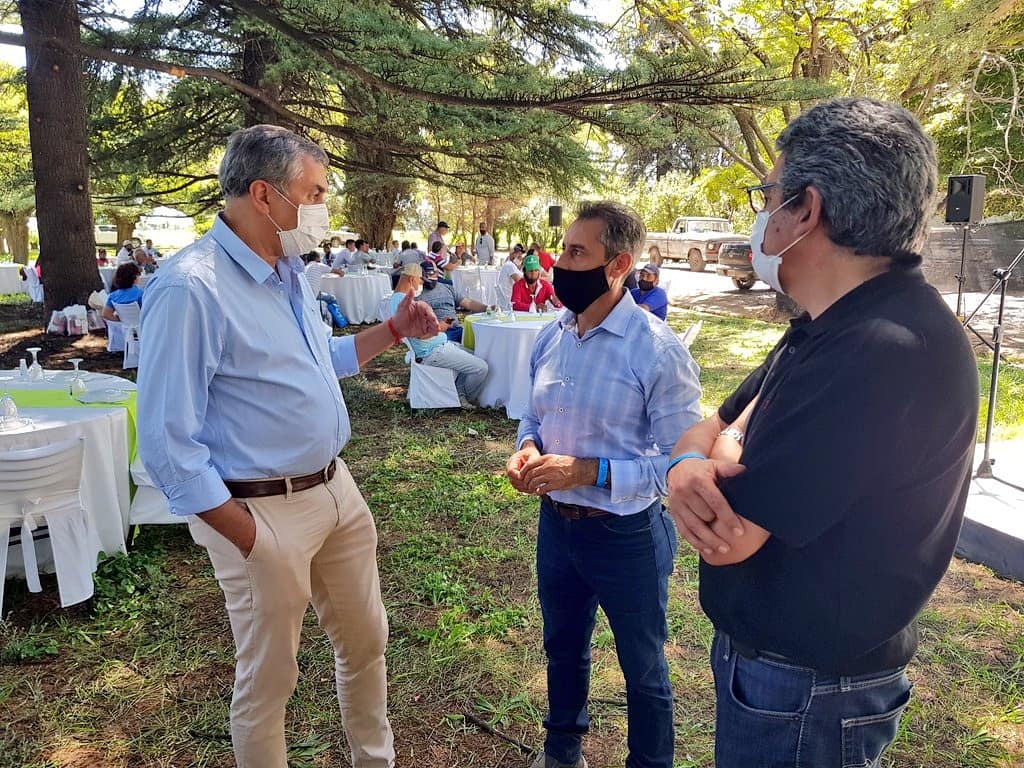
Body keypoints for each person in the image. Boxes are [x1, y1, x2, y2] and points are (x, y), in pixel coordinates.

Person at [665, 98, 979, 768]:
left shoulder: (881, 346)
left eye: (768, 195)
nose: (762, 215)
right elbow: (709, 429)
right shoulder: (826, 324)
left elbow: (728, 538)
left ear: (806, 210)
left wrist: (704, 454)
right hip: (784, 673)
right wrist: (690, 466)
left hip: (810, 688)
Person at [137, 124, 439, 768]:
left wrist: (391, 330)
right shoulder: (191, 288)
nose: (323, 208)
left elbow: (317, 360)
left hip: (335, 492)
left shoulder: (288, 270)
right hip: (260, 511)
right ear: (264, 196)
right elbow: (166, 441)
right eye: (314, 192)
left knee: (366, 644)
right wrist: (248, 535)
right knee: (270, 682)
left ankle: (373, 760)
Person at [506, 200, 702, 768]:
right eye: (563, 249)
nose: (560, 263)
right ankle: (562, 752)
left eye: (575, 252)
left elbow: (678, 465)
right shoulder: (552, 336)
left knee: (643, 669)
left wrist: (588, 471)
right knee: (563, 649)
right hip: (557, 529)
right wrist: (527, 450)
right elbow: (532, 418)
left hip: (627, 536)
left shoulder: (658, 351)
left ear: (617, 265)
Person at [390, 263, 488, 409]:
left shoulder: (399, 299)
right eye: (419, 279)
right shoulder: (405, 303)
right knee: (482, 367)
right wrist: (441, 327)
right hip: (432, 352)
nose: (420, 283)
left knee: (475, 355)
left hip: (439, 346)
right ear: (411, 279)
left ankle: (460, 394)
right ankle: (466, 397)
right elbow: (420, 335)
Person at [417, 260, 489, 342]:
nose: (431, 276)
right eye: (427, 274)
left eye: (433, 273)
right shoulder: (417, 294)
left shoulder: (447, 287)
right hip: (439, 335)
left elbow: (468, 303)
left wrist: (487, 308)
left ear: (437, 273)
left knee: (484, 338)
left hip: (457, 329)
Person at [304, 251, 348, 328]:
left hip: (306, 294)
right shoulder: (318, 265)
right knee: (332, 298)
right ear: (317, 258)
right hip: (314, 295)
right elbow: (337, 272)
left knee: (322, 294)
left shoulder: (305, 267)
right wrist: (342, 272)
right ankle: (340, 321)